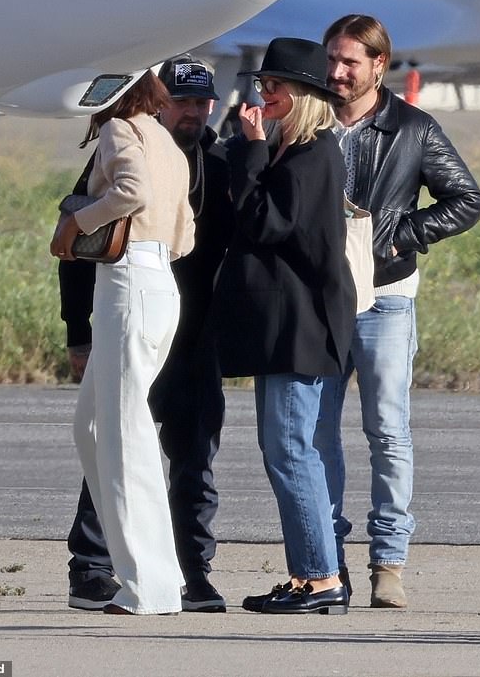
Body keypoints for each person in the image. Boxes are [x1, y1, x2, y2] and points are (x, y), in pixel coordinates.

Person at [315, 14, 480, 608]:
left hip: (387, 297)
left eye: (349, 62)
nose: (336, 72)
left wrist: (405, 233)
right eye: (331, 59)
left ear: (379, 65)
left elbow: (467, 199)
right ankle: (325, 559)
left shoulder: (413, 128)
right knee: (316, 435)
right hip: (318, 299)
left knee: (387, 430)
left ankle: (389, 561)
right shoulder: (308, 120)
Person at [60, 56, 233, 613]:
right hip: (160, 280)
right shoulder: (166, 141)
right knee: (93, 426)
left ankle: (148, 585)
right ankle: (136, 567)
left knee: (122, 433)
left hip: (128, 282)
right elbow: (184, 233)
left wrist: (78, 223)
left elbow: (130, 192)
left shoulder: (121, 129)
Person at [213, 38, 357, 615]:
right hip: (289, 323)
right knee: (285, 448)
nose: (264, 96)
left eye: (274, 88)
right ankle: (310, 574)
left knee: (291, 450)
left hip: (303, 324)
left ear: (301, 96)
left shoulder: (312, 154)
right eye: (261, 87)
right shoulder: (292, 151)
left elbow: (263, 223)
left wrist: (248, 150)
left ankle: (320, 577)